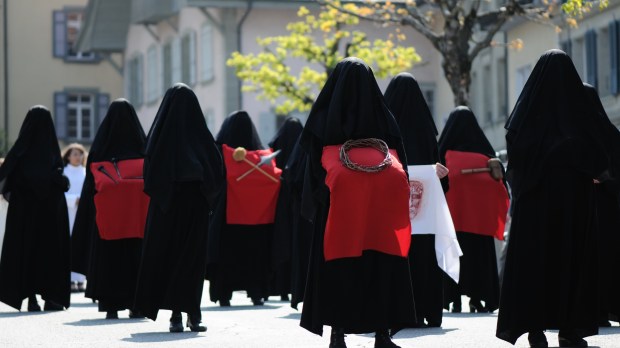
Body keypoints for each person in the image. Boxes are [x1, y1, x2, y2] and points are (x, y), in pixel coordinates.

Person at [300, 57, 415, 348]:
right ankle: (382, 333)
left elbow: (312, 170)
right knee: (380, 264)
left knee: (340, 266)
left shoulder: (321, 120)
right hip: (382, 211)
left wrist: (322, 202)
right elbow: (402, 159)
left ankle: (338, 334)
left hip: (337, 209)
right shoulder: (384, 117)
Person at [496, 49, 608, 348]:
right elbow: (605, 147)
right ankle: (570, 331)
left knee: (536, 263)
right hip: (575, 204)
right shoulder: (581, 114)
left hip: (535, 203)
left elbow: (515, 161)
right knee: (572, 263)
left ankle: (535, 329)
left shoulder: (526, 116)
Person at [134, 84, 223, 332]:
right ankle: (186, 313)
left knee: (175, 258)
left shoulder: (158, 139)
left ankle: (185, 313)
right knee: (190, 260)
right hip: (188, 205)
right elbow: (216, 174)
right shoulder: (201, 138)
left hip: (168, 206)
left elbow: (150, 174)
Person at [384, 72, 454, 328]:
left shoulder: (383, 127)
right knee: (424, 258)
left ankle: (397, 312)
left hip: (392, 211)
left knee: (396, 255)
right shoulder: (425, 127)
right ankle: (428, 310)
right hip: (423, 211)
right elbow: (441, 175)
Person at [71, 99, 147, 319]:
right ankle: (138, 305)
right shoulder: (144, 148)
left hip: (107, 222)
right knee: (137, 259)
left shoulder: (100, 150)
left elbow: (89, 190)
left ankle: (110, 305)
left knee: (109, 261)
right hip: (138, 220)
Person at [438, 106, 508, 314]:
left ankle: (454, 299)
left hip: (453, 221)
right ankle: (479, 298)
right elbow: (501, 184)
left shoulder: (444, 155)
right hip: (480, 222)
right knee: (480, 258)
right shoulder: (486, 156)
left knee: (453, 256)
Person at [207, 111, 281, 307]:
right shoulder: (264, 160)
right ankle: (257, 292)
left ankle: (224, 294)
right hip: (259, 221)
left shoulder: (222, 154)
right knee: (256, 256)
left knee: (228, 257)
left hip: (229, 220)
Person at [0, 106, 70, 312]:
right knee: (50, 252)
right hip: (50, 213)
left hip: (25, 213)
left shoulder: (20, 152)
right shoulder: (52, 151)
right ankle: (51, 298)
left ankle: (31, 298)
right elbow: (60, 180)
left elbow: (6, 175)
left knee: (26, 251)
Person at [583, 83, 620, 327]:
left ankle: (591, 312)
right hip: (610, 210)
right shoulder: (612, 134)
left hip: (586, 208)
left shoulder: (572, 134)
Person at [269, 117, 304, 302]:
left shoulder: (275, 145)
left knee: (281, 240)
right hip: (300, 203)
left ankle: (281, 287)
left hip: (279, 203)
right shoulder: (304, 146)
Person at [62, 143, 87, 292]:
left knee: (81, 242)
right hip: (68, 211)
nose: (78, 157)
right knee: (68, 243)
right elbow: (60, 192)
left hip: (81, 211)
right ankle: (70, 279)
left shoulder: (85, 172)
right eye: (75, 154)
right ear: (68, 156)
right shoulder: (64, 172)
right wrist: (73, 199)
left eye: (80, 153)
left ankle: (80, 279)